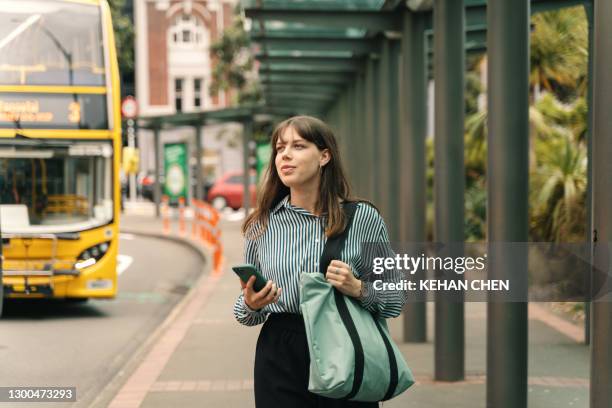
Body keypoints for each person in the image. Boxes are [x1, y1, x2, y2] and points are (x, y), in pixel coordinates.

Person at [233, 115, 406, 408]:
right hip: (281, 350)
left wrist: (358, 288)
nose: (285, 154)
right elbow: (245, 314)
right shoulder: (261, 225)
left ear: (324, 156)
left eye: (298, 146)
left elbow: (396, 298)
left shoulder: (362, 218)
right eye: (280, 148)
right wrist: (251, 303)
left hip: (345, 344)